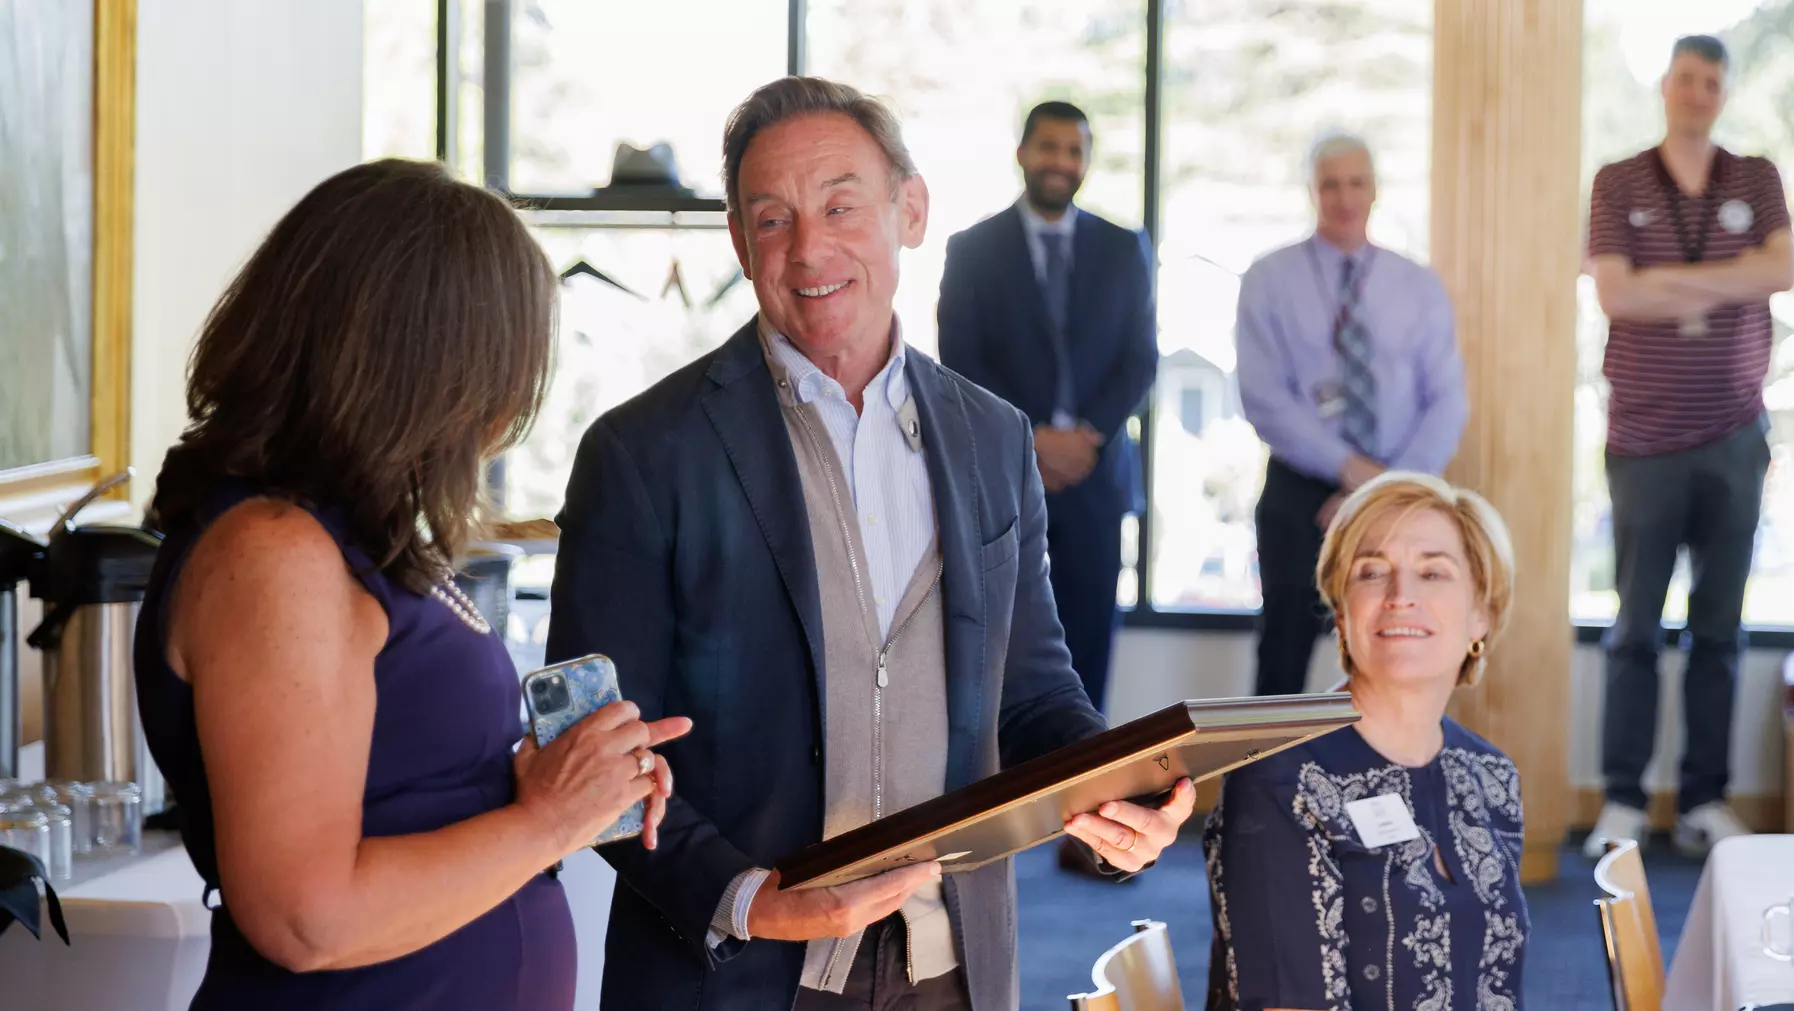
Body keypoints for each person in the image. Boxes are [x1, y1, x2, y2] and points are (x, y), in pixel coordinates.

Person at [546, 77, 1196, 1011]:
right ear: (738, 239)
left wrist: (1109, 785)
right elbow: (588, 751)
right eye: (772, 219)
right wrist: (749, 901)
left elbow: (1033, 689)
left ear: (911, 210)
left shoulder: (993, 437)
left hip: (952, 966)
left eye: (842, 206)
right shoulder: (642, 452)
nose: (810, 248)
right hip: (733, 973)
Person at [133, 159, 690, 1010]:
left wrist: (559, 785)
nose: (500, 416)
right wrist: (548, 821)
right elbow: (304, 918)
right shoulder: (276, 554)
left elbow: (398, 794)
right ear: (427, 364)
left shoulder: (344, 535)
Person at [1203, 472, 1528, 1011]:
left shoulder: (1490, 775)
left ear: (1482, 615)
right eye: (1372, 572)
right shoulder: (1281, 782)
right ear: (1341, 611)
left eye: (1433, 573)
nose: (1402, 596)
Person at [1582, 35, 1790, 860]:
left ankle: (1704, 798)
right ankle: (1624, 801)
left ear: (1724, 94)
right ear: (1664, 87)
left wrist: (1667, 284)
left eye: (1713, 82)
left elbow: (1781, 270)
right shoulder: (1619, 179)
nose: (1698, 92)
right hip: (1643, 439)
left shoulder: (1757, 176)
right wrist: (1729, 273)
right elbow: (1614, 291)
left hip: (1736, 437)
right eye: (1687, 79)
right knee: (1636, 627)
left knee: (1721, 627)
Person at [936, 100, 1157, 718]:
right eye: (1049, 147)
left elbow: (1139, 359)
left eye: (1074, 150)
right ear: (1023, 154)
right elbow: (961, 359)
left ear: (1086, 160)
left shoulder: (1124, 247)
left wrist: (1086, 435)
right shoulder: (972, 249)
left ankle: (1086, 790)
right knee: (999, 644)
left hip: (1096, 475)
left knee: (1089, 644)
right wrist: (1032, 438)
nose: (1061, 162)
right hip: (1005, 474)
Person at [1235, 133, 1468, 698]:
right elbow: (1264, 396)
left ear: (1375, 190)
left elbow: (1448, 399)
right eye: (1330, 184)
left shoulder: (1417, 285)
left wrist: (1382, 487)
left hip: (1400, 489)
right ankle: (1266, 784)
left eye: (1356, 183)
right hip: (1301, 488)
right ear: (1312, 191)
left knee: (1392, 645)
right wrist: (1348, 470)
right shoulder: (1269, 278)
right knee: (1284, 651)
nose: (1344, 197)